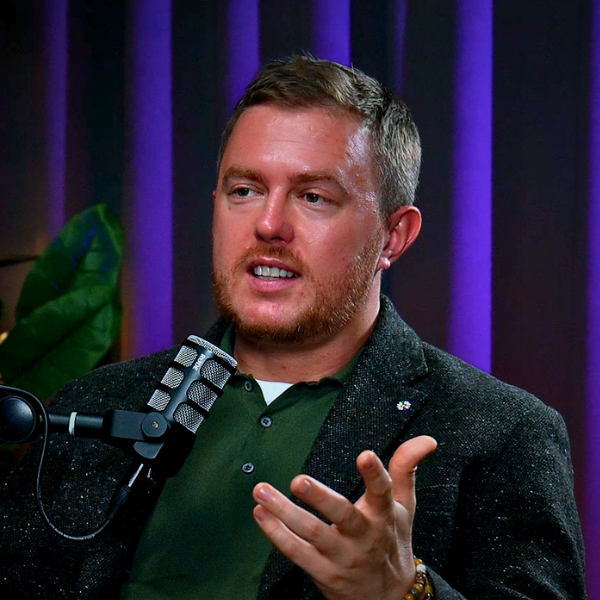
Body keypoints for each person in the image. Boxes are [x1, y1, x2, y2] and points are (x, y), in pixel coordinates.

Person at [0, 56, 586, 600]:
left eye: (313, 197)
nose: (268, 224)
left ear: (393, 236)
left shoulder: (503, 432)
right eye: (245, 190)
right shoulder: (92, 405)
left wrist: (403, 591)